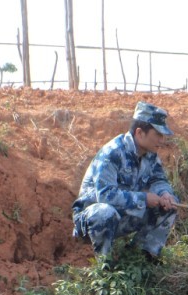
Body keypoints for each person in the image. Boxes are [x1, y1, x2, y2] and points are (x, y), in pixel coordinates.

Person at [72, 101, 179, 261]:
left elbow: (158, 179)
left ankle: (141, 258)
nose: (161, 140)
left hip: (122, 216)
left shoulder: (151, 155)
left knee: (170, 206)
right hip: (93, 220)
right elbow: (105, 196)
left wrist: (165, 194)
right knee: (104, 212)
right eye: (157, 134)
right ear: (140, 133)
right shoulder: (112, 153)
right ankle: (104, 266)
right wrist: (144, 198)